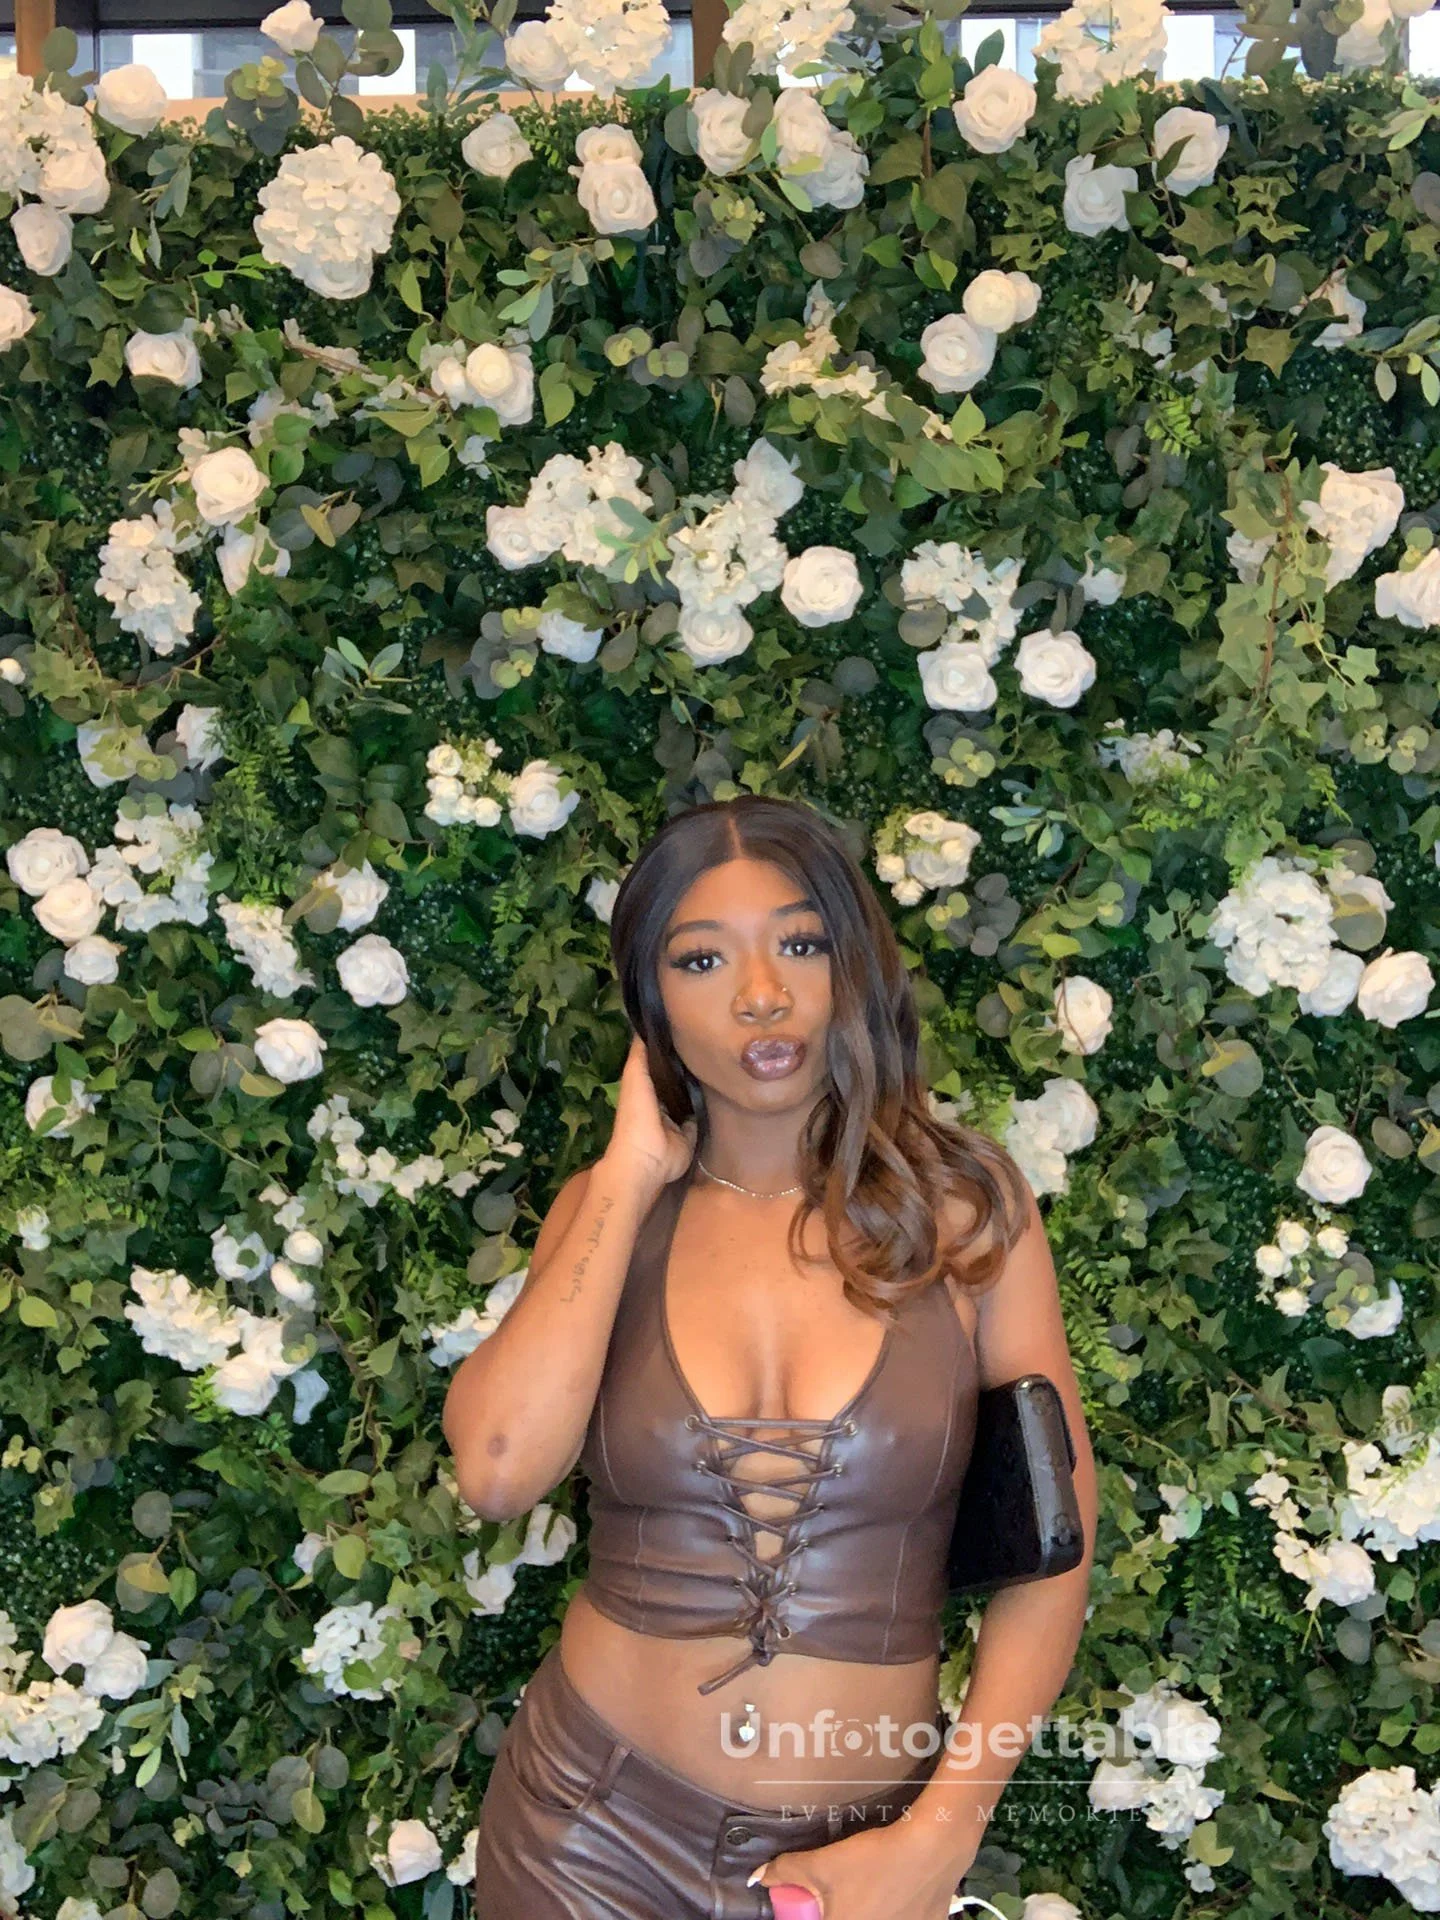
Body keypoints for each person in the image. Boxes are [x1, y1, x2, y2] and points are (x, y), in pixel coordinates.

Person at [444, 794, 1097, 1920]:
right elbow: (498, 1472)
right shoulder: (607, 1215)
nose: (761, 994)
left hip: (860, 1857)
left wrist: (941, 1837)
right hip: (584, 1838)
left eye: (799, 944)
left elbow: (1056, 1554)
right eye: (702, 960)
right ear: (651, 1002)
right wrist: (626, 1174)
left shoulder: (964, 1214)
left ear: (853, 964)